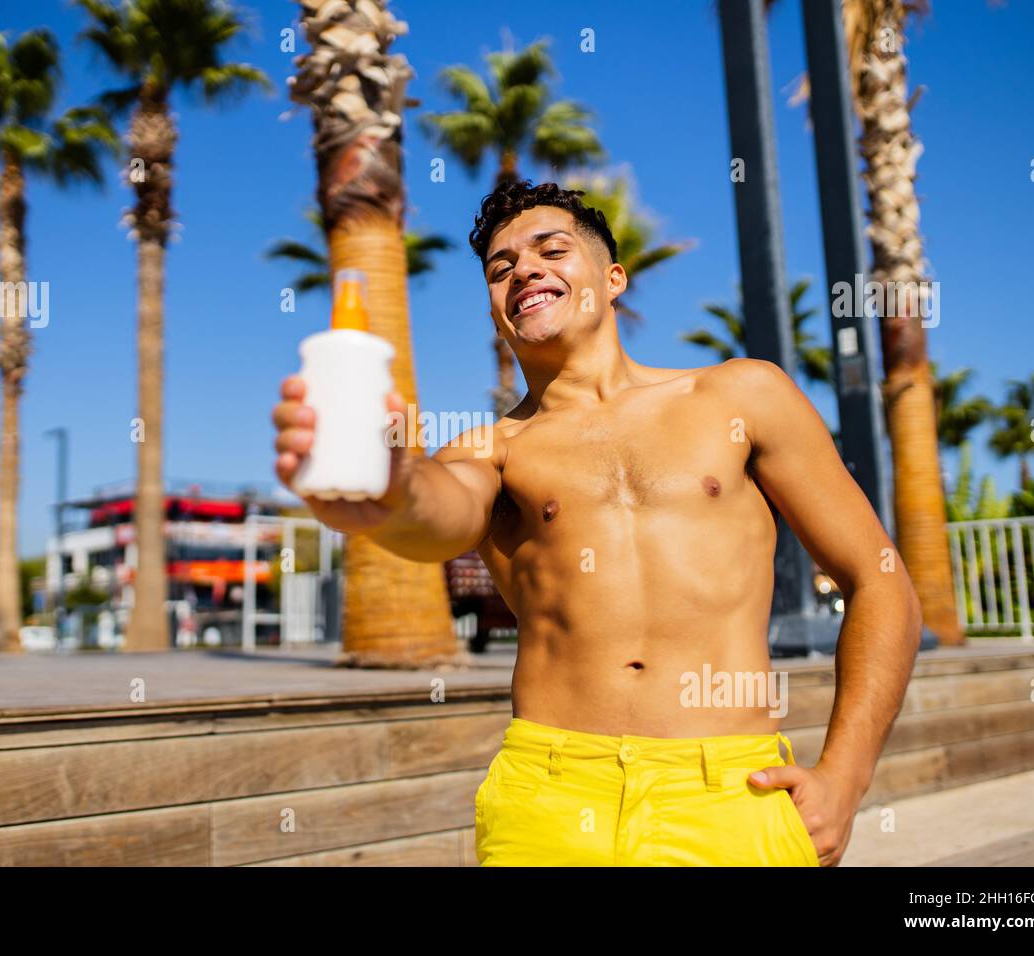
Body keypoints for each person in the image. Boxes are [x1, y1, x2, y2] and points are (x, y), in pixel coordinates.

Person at [272, 180, 922, 866]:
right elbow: (435, 511)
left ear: (613, 279)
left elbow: (880, 583)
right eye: (500, 268)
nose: (524, 269)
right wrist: (389, 488)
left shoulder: (740, 395)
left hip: (731, 791)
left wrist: (844, 780)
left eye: (551, 249)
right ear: (496, 309)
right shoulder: (491, 449)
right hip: (549, 795)